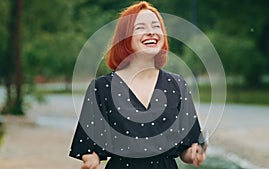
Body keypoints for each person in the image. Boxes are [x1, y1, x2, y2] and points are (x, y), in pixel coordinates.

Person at [69, 1, 207, 169]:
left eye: (156, 26)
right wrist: (91, 161)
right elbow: (88, 147)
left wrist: (194, 153)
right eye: (140, 27)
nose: (151, 32)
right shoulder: (102, 87)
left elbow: (187, 149)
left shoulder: (177, 85)